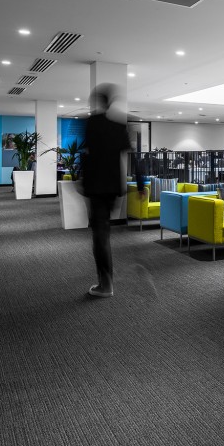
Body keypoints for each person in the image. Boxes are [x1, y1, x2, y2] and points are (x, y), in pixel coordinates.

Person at [80, 84, 135, 298]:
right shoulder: (118, 126)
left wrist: (82, 182)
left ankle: (105, 285)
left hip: (96, 186)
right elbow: (131, 156)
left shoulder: (91, 123)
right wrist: (140, 184)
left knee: (100, 236)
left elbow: (87, 155)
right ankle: (106, 280)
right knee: (104, 233)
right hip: (113, 188)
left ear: (97, 102)